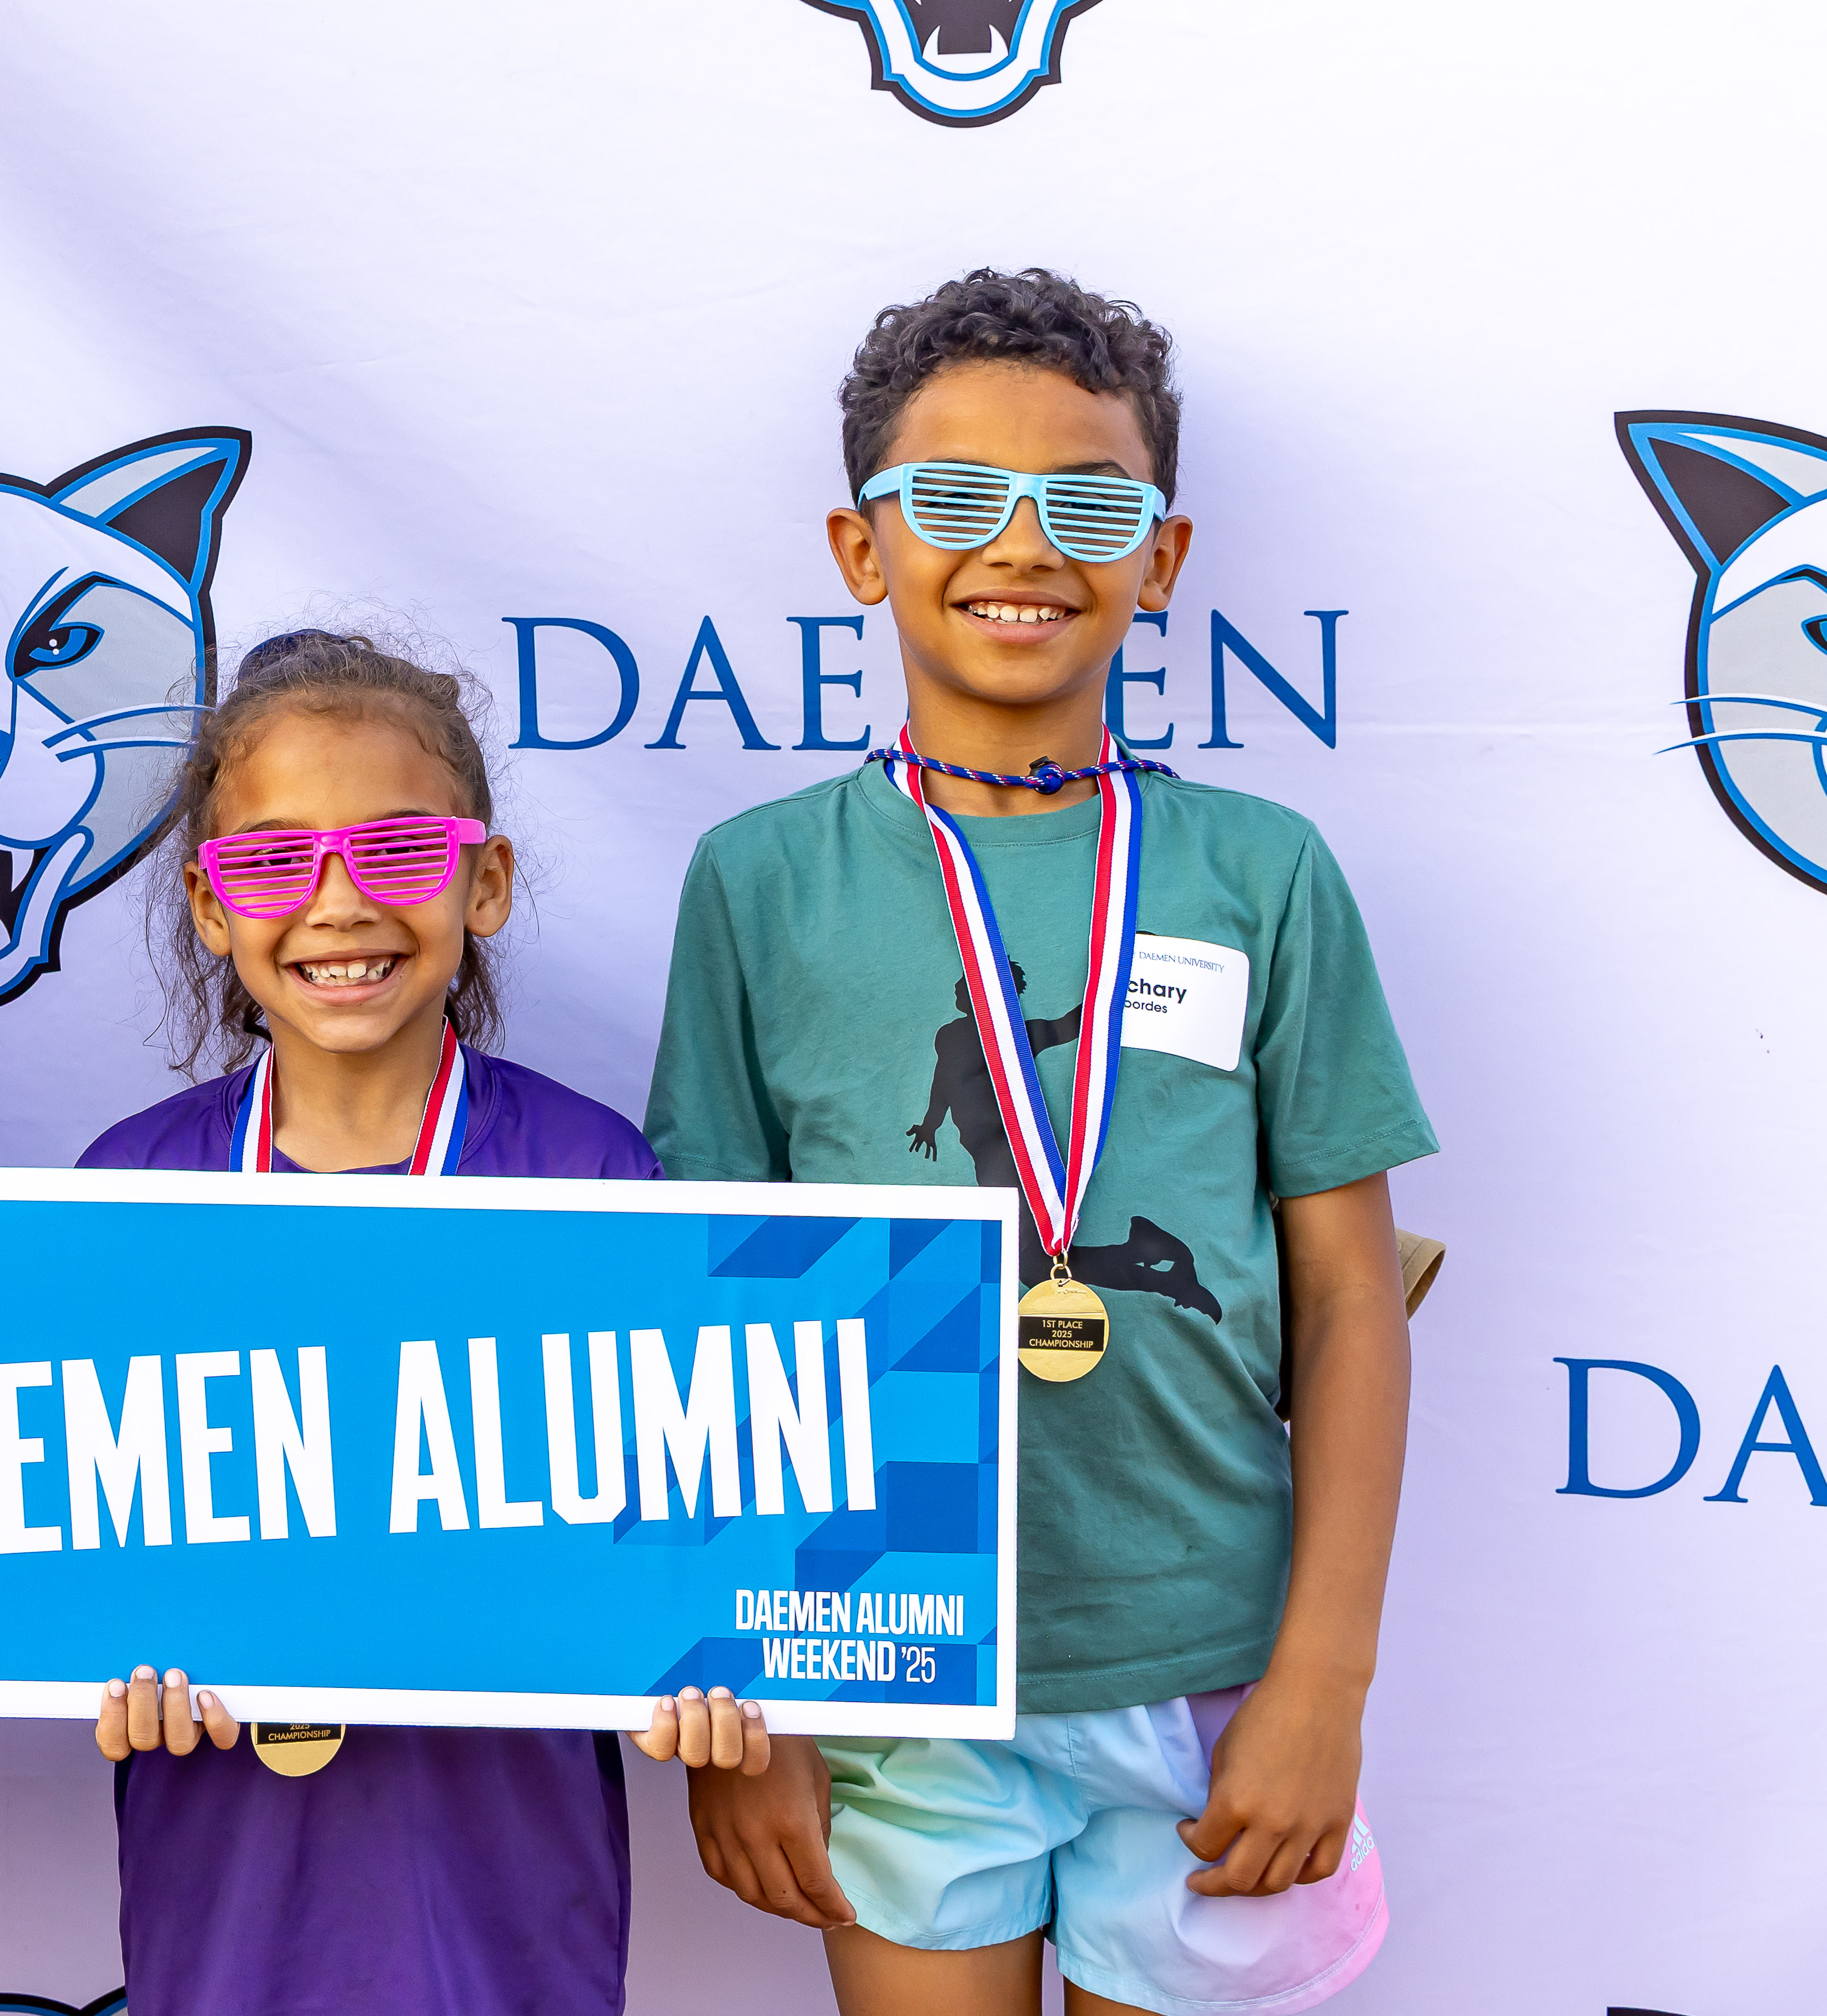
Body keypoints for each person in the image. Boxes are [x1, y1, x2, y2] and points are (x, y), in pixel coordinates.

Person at [647, 272, 1428, 2016]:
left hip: (1207, 1664)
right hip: (888, 1665)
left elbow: (1352, 1305)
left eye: (1086, 504)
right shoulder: (762, 884)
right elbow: (701, 1312)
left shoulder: (1260, 872)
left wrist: (1326, 1679)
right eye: (955, 501)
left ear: (1161, 554)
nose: (1023, 545)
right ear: (862, 549)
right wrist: (737, 1693)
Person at [73, 626, 770, 2016]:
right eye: (272, 862)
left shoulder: (593, 1177)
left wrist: (708, 1657)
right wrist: (95, 1654)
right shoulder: (129, 1189)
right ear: (212, 908)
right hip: (227, 1870)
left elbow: (681, 1532)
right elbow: (59, 1550)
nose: (336, 906)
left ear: (484, 881)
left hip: (504, 1880)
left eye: (396, 852)